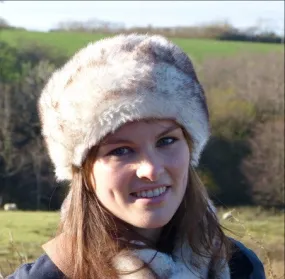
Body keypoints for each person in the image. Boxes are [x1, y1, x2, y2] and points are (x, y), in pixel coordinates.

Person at [7, 34, 265, 279]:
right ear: (84, 170)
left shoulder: (239, 266)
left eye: (166, 141)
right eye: (120, 150)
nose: (151, 169)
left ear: (190, 148)